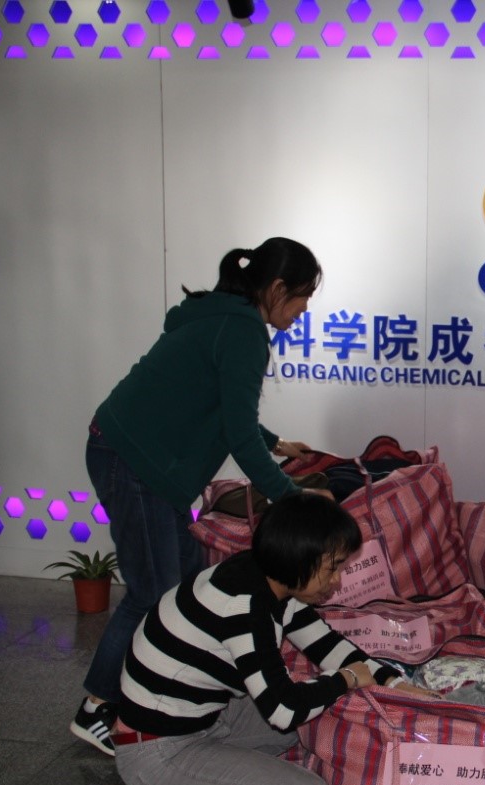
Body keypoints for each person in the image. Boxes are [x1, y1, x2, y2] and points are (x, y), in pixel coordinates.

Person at [72, 237, 332, 755]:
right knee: (152, 592)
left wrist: (277, 443)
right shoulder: (242, 331)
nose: (305, 309)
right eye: (303, 295)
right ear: (277, 288)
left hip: (139, 457)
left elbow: (222, 409)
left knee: (187, 583)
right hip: (134, 459)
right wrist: (293, 500)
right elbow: (237, 434)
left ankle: (179, 691)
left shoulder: (225, 316)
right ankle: (97, 707)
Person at [113, 493, 438, 785]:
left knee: (315, 715)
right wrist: (345, 680)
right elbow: (283, 710)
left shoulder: (268, 577)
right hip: (157, 753)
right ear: (298, 560)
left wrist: (394, 684)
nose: (338, 581)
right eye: (332, 568)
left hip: (205, 719)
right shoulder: (245, 609)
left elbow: (328, 646)